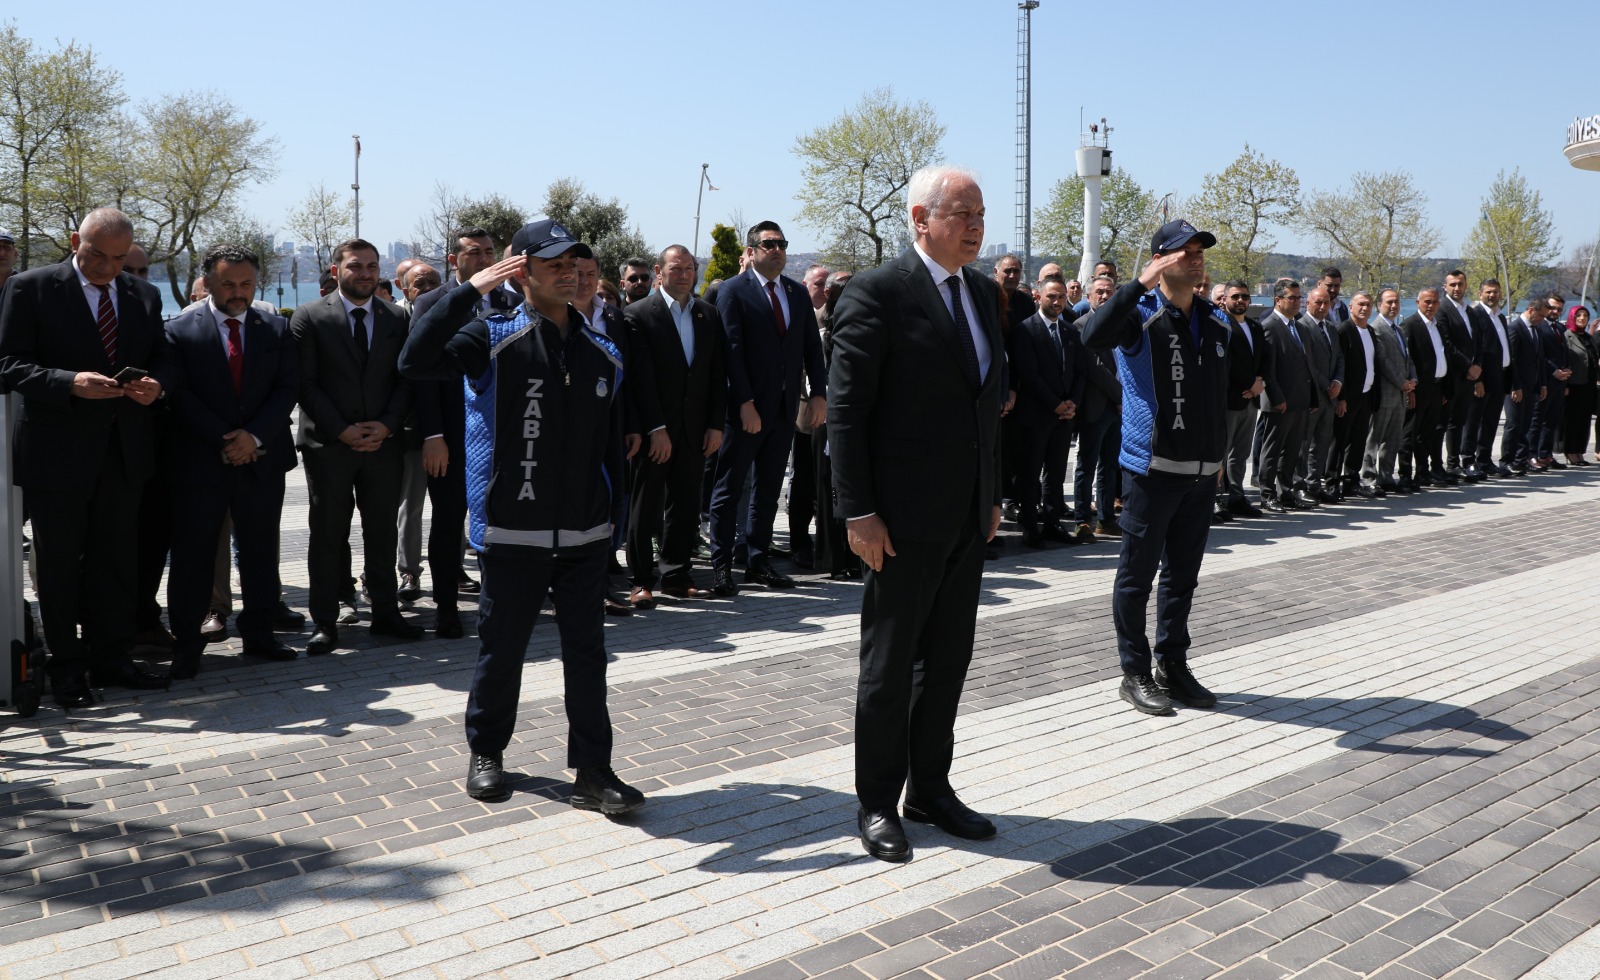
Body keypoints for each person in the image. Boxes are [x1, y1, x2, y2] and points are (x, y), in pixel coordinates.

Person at [399, 219, 643, 814]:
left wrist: (615, 520)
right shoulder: (490, 336)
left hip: (585, 533)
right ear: (521, 270)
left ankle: (594, 770)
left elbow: (611, 449)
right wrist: (471, 288)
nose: (570, 273)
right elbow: (415, 359)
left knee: (587, 656)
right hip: (511, 530)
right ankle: (486, 752)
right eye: (554, 263)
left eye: (575, 264)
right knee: (502, 651)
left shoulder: (603, 350)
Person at [830, 165, 1004, 863]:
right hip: (898, 521)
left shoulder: (983, 293)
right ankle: (877, 801)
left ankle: (930, 788)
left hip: (965, 514)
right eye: (962, 214)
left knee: (949, 659)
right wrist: (859, 510)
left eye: (980, 214)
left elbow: (985, 405)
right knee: (890, 664)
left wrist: (991, 494)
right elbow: (847, 412)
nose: (975, 227)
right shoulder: (877, 292)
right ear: (920, 218)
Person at [0, 207, 169, 708]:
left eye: (118, 259)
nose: (107, 268)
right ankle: (67, 669)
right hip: (57, 453)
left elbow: (163, 357)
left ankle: (113, 658)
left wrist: (157, 386)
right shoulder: (31, 287)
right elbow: (8, 363)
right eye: (98, 255)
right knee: (58, 566)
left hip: (123, 452)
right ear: (76, 241)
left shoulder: (143, 294)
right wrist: (68, 382)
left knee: (116, 563)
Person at [1078, 220, 1226, 720]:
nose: (1196, 258)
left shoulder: (1214, 319)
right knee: (1136, 578)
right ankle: (1134, 672)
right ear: (1161, 260)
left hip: (1201, 472)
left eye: (1200, 251)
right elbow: (1092, 335)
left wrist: (1218, 458)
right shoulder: (1138, 315)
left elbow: (1220, 394)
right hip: (1151, 470)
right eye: (1185, 251)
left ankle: (1173, 665)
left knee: (1183, 577)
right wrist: (1139, 283)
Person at [153, 244, 300, 677]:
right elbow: (178, 394)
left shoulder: (276, 329)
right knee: (192, 556)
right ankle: (187, 645)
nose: (238, 292)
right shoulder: (178, 330)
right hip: (200, 462)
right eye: (228, 284)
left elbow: (287, 388)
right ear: (208, 283)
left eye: (246, 284)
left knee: (260, 552)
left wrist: (253, 436)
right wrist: (226, 438)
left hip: (261, 459)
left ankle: (260, 635)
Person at [291, 238, 422, 655]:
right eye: (355, 266)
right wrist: (343, 430)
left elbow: (406, 379)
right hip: (329, 446)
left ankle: (385, 613)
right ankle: (324, 621)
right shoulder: (310, 316)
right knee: (328, 535)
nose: (364, 273)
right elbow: (304, 383)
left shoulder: (396, 317)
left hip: (383, 446)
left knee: (381, 532)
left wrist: (386, 425)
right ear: (336, 271)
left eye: (371, 266)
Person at [708, 221, 826, 596]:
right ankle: (721, 566)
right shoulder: (732, 291)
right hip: (745, 412)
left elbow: (812, 348)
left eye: (782, 244)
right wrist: (744, 403)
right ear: (752, 251)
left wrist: (819, 393)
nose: (777, 250)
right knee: (729, 490)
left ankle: (757, 562)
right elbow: (730, 352)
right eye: (769, 244)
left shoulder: (796, 293)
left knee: (768, 490)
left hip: (784, 410)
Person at [409, 228, 508, 638]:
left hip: (499, 437)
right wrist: (433, 435)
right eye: (474, 252)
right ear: (454, 260)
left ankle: (498, 601)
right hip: (450, 437)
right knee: (449, 523)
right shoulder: (433, 302)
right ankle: (446, 606)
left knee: (499, 520)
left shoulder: (510, 302)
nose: (484, 259)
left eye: (489, 251)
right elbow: (421, 374)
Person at [623, 245, 726, 606]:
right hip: (654, 432)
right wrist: (655, 428)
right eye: (675, 268)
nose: (683, 275)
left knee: (685, 504)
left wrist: (715, 424)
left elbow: (716, 374)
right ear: (659, 271)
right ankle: (640, 580)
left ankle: (676, 575)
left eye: (689, 269)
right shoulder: (638, 314)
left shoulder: (708, 314)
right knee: (645, 504)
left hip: (695, 430)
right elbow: (639, 379)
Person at [1008, 278, 1085, 546]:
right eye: (1051, 296)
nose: (1057, 301)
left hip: (1064, 418)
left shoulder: (1070, 331)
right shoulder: (1025, 330)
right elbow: (1029, 375)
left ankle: (1053, 524)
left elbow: (1079, 372)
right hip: (1035, 416)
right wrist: (1055, 404)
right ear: (1038, 297)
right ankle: (1031, 527)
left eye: (1061, 297)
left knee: (1056, 473)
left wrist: (1072, 402)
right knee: (1030, 474)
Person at [393, 263, 443, 605]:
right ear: (404, 288)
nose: (427, 289)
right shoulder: (397, 321)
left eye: (433, 283)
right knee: (410, 507)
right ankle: (409, 571)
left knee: (451, 508)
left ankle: (454, 568)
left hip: (448, 431)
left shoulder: (452, 314)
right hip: (410, 432)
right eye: (419, 284)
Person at [1258, 280, 1318, 513]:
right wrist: (1276, 398)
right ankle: (1267, 494)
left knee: (1292, 452)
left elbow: (1309, 367)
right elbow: (1268, 369)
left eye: (1299, 298)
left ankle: (1286, 492)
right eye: (1292, 298)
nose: (1297, 302)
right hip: (1280, 403)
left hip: (1300, 401)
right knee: (1272, 450)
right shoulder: (1269, 326)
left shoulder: (1300, 328)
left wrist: (1312, 397)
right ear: (1277, 300)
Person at [1217, 280, 1271, 519]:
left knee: (1240, 454)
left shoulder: (1255, 327)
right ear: (1225, 299)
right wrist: (1249, 383)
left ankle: (1237, 497)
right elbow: (1226, 362)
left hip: (1251, 400)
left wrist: (1260, 383)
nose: (1241, 301)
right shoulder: (1220, 325)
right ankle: (1217, 498)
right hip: (1230, 399)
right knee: (1221, 453)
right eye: (1235, 296)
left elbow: (1266, 358)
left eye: (1245, 297)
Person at [1074, 276, 1122, 540]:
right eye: (1099, 292)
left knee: (1110, 467)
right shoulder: (1082, 325)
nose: (1104, 296)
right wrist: (1122, 397)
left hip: (1118, 410)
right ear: (1088, 296)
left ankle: (1106, 519)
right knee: (1087, 466)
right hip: (1096, 408)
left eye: (1109, 292)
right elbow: (1095, 369)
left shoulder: (1121, 325)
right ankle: (1082, 520)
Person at [1402, 288, 1458, 486]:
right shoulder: (1410, 325)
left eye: (1434, 302)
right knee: (1409, 434)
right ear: (1418, 303)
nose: (1430, 305)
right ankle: (1405, 475)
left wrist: (1444, 387)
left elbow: (1443, 355)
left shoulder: (1438, 326)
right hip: (1418, 390)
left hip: (1437, 388)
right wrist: (1410, 390)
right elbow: (1407, 359)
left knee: (1427, 433)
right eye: (1427, 301)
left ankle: (1423, 472)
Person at [1364, 290, 1417, 494]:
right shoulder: (1375, 328)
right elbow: (1383, 361)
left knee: (1393, 439)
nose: (1394, 306)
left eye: (1396, 302)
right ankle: (1368, 477)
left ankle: (1386, 477)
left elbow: (1408, 358)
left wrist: (1413, 380)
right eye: (1389, 302)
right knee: (1375, 438)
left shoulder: (1399, 330)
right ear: (1379, 305)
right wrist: (1402, 382)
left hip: (1401, 394)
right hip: (1386, 392)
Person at [1296, 288, 1343, 503]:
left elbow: (1340, 357)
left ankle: (1315, 485)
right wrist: (1327, 384)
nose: (1323, 306)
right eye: (1318, 302)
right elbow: (1308, 362)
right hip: (1312, 396)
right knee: (1304, 444)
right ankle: (1299, 485)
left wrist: (1338, 382)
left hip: (1330, 397)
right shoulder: (1301, 326)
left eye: (1326, 302)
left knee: (1321, 444)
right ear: (1307, 303)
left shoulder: (1331, 328)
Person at [1438, 270, 1486, 480]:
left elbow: (1479, 343)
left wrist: (1477, 367)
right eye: (1452, 285)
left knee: (1459, 421)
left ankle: (1454, 464)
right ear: (1445, 287)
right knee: (1444, 422)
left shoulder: (1471, 312)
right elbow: (1447, 344)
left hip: (1469, 376)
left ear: (1466, 286)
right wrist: (1468, 366)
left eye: (1460, 284)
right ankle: (1440, 466)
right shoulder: (1442, 310)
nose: (1456, 288)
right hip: (1453, 375)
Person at [1334, 293, 1379, 497]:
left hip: (1366, 394)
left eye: (1368, 305)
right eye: (1360, 304)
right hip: (1347, 397)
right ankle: (1332, 482)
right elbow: (1339, 365)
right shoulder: (1344, 330)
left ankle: (1352, 481)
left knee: (1359, 440)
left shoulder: (1370, 330)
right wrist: (1341, 397)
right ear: (1350, 307)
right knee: (1340, 441)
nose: (1364, 308)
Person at [1469, 279, 1513, 477]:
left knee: (1491, 422)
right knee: (1474, 422)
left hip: (1499, 377)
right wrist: (1477, 380)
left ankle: (1485, 460)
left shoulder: (1500, 317)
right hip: (1483, 378)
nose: (1492, 295)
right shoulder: (1475, 315)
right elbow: (1475, 348)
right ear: (1480, 294)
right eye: (1488, 292)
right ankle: (1469, 460)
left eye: (1495, 292)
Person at [1501, 298, 1547, 475]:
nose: (1542, 319)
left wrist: (1542, 384)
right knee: (1514, 424)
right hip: (1517, 386)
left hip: (1532, 385)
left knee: (1526, 424)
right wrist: (1515, 385)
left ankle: (1521, 460)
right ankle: (1507, 460)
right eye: (1540, 315)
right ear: (1531, 310)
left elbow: (1539, 359)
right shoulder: (1514, 328)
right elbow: (1511, 359)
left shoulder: (1537, 330)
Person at [1561, 305, 1595, 465]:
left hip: (1588, 385)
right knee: (1572, 420)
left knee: (1584, 420)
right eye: (1578, 315)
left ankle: (1579, 451)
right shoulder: (1566, 336)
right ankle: (1570, 451)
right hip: (1573, 385)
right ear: (1572, 317)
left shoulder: (1588, 337)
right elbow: (1564, 360)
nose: (1582, 318)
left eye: (1585, 315)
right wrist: (1565, 384)